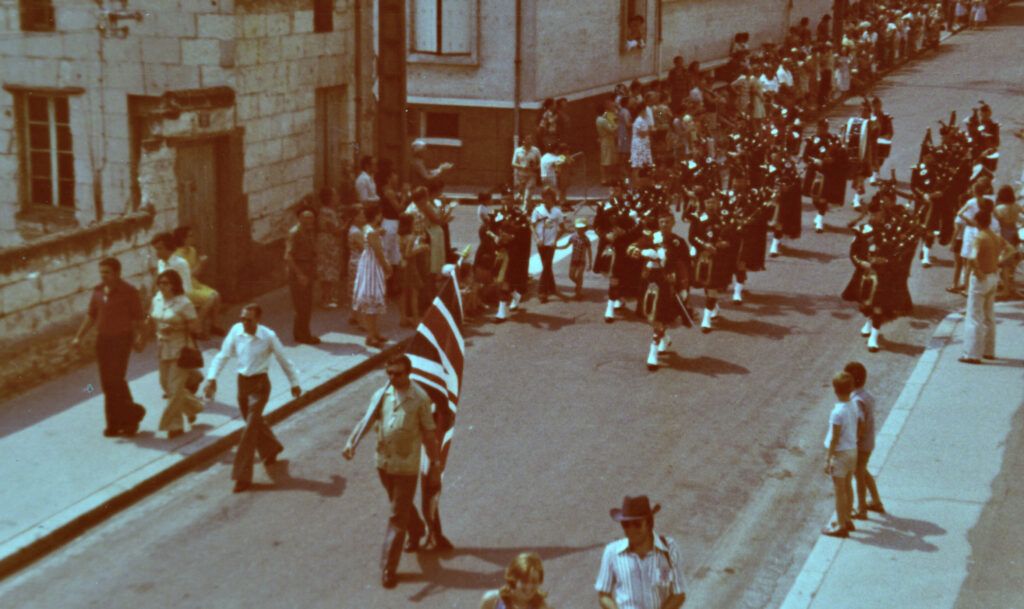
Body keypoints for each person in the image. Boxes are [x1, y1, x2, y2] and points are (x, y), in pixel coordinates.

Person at [343, 355, 443, 589]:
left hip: (406, 465)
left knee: (397, 516)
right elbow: (367, 420)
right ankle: (417, 529)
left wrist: (435, 462)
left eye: (398, 373)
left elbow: (429, 434)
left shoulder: (420, 399)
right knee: (400, 505)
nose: (393, 378)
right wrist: (351, 442)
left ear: (408, 373)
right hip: (384, 463)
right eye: (389, 373)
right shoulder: (382, 394)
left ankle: (388, 567)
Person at [204, 304, 301, 493]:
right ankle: (271, 448)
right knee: (253, 422)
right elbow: (222, 355)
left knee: (249, 430)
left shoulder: (268, 336)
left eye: (248, 320)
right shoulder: (236, 331)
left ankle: (242, 477)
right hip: (242, 384)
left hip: (260, 386)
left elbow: (284, 360)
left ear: (258, 320)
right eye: (242, 318)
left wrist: (294, 382)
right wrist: (211, 378)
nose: (244, 323)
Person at [71, 258, 146, 437]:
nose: (103, 276)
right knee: (108, 383)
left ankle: (132, 416)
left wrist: (140, 338)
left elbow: (139, 318)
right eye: (101, 272)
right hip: (103, 341)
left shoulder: (129, 291)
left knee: (115, 380)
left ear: (117, 273)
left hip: (122, 340)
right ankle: (115, 424)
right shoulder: (98, 291)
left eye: (107, 272)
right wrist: (78, 337)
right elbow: (91, 315)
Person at [595, 495, 687, 609]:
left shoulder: (669, 549)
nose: (631, 530)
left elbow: (679, 593)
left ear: (649, 524)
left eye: (637, 524)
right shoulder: (612, 552)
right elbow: (604, 594)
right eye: (625, 525)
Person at [146, 269, 204, 439]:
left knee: (174, 388)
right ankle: (194, 407)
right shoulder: (157, 299)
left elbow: (196, 327)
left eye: (166, 283)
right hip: (163, 347)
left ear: (175, 285)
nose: (162, 286)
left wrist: (176, 327)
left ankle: (174, 426)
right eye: (160, 283)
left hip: (180, 349)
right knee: (165, 384)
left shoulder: (184, 303)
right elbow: (151, 316)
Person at [960, 207, 1003, 363]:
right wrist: (998, 263)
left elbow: (972, 257)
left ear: (977, 222)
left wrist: (977, 272)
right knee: (989, 316)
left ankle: (972, 354)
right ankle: (988, 351)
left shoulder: (979, 237)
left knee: (974, 316)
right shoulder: (996, 237)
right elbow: (1011, 251)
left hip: (981, 279)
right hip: (993, 276)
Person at [844, 361, 885, 519]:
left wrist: (854, 440)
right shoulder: (866, 395)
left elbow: (860, 422)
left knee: (859, 476)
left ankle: (861, 509)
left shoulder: (856, 401)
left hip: (860, 444)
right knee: (863, 471)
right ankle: (875, 501)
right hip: (868, 442)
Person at [822, 371, 859, 537]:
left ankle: (841, 525)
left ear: (835, 390)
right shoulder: (854, 405)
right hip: (852, 450)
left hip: (841, 454)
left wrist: (828, 458)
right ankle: (847, 518)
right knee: (848, 486)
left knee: (839, 491)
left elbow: (834, 438)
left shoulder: (837, 412)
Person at [171, 226, 224, 338]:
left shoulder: (192, 250)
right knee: (211, 298)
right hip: (185, 286)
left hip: (194, 283)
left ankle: (214, 325)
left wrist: (201, 264)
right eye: (190, 236)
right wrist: (200, 263)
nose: (193, 238)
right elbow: (187, 275)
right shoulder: (177, 255)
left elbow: (196, 273)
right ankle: (196, 327)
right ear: (183, 239)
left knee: (217, 295)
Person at [353, 203, 392, 348]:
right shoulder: (371, 232)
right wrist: (386, 266)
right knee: (371, 300)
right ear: (377, 215)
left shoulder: (369, 229)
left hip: (370, 265)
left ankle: (375, 333)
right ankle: (370, 335)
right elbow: (378, 252)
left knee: (374, 302)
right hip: (372, 267)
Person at [285, 204, 320, 345]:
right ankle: (304, 335)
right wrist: (300, 275)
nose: (309, 220)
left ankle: (300, 333)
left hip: (308, 268)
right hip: (299, 269)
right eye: (306, 217)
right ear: (299, 218)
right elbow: (288, 256)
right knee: (302, 305)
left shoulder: (309, 231)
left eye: (311, 217)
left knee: (306, 304)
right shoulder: (295, 233)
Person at [479, 553, 553, 609]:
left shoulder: (543, 607)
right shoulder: (493, 601)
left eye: (534, 581)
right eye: (524, 581)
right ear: (513, 579)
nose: (529, 587)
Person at [531, 188, 566, 303]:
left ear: (553, 198)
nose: (547, 200)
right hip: (541, 243)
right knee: (547, 266)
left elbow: (562, 228)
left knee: (546, 266)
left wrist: (556, 240)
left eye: (549, 197)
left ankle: (542, 291)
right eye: (545, 197)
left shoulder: (557, 212)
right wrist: (536, 239)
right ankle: (552, 287)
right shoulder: (537, 210)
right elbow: (532, 225)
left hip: (551, 243)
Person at [398, 212, 430, 327]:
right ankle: (415, 319)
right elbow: (408, 253)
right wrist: (422, 248)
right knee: (414, 294)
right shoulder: (411, 237)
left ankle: (403, 318)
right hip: (411, 267)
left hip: (402, 265)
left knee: (403, 293)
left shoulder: (400, 236)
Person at [315, 187, 344, 309]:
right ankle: (326, 299)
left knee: (328, 270)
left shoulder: (329, 211)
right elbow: (335, 230)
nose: (337, 197)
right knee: (328, 271)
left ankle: (328, 297)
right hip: (328, 243)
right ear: (330, 198)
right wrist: (346, 225)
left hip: (328, 242)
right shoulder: (327, 213)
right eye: (335, 195)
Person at [559, 217, 593, 299]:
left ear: (585, 229)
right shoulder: (573, 237)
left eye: (582, 228)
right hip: (574, 259)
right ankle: (579, 285)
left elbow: (589, 251)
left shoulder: (586, 239)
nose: (580, 230)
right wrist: (557, 247)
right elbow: (566, 246)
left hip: (582, 260)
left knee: (579, 276)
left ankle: (578, 292)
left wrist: (590, 263)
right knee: (571, 275)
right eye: (578, 228)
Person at [345, 204, 368, 326]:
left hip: (355, 261)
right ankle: (361, 320)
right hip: (359, 263)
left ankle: (354, 315)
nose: (364, 217)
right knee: (360, 290)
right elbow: (364, 248)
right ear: (355, 217)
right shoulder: (356, 232)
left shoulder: (355, 229)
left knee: (356, 289)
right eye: (361, 215)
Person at [512, 134, 542, 203]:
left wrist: (536, 167)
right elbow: (513, 163)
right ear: (523, 141)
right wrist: (521, 166)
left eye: (530, 139)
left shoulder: (536, 150)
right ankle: (525, 206)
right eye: (527, 139)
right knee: (523, 194)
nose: (529, 141)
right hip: (521, 176)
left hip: (532, 175)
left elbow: (541, 162)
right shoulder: (518, 150)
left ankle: (525, 207)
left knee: (528, 193)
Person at [596, 99, 619, 185]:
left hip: (606, 140)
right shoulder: (602, 120)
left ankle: (605, 178)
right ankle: (606, 178)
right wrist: (616, 124)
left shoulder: (599, 119)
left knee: (606, 160)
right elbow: (611, 129)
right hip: (607, 141)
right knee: (607, 161)